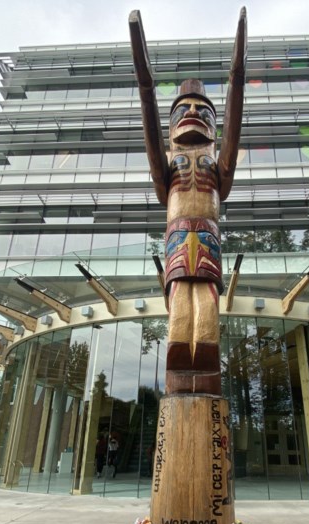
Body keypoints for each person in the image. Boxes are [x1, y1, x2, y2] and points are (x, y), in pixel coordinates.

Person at [129, 8, 246, 395]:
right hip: (178, 238)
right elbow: (149, 127)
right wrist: (145, 86)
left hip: (208, 239)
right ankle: (180, 367)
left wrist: (236, 77)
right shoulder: (168, 162)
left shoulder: (216, 162)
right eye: (184, 109)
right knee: (180, 311)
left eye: (202, 110)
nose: (193, 113)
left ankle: (205, 366)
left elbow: (233, 125)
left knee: (208, 308)